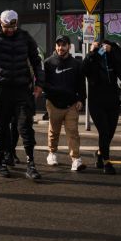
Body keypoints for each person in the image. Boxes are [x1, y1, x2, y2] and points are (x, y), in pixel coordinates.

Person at [0, 11, 43, 180]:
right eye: (7, 27)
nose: (10, 30)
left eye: (13, 26)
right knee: (1, 128)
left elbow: (36, 60)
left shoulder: (25, 37)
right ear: (1, 24)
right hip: (0, 89)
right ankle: (1, 162)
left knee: (25, 127)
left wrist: (39, 84)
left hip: (22, 89)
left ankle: (31, 164)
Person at [84, 37, 121, 174]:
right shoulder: (93, 59)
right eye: (101, 48)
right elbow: (84, 70)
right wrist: (91, 53)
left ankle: (99, 153)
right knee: (104, 130)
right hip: (96, 101)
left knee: (110, 131)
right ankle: (106, 161)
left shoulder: (112, 57)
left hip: (112, 100)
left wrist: (113, 53)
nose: (103, 51)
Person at [43, 36, 85, 171]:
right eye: (58, 45)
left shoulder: (76, 64)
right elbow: (44, 83)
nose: (61, 48)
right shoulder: (48, 63)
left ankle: (76, 159)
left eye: (64, 45)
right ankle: (52, 153)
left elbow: (81, 83)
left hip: (71, 104)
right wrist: (51, 95)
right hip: (54, 103)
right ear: (56, 46)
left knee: (73, 132)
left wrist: (80, 99)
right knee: (53, 131)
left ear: (69, 46)